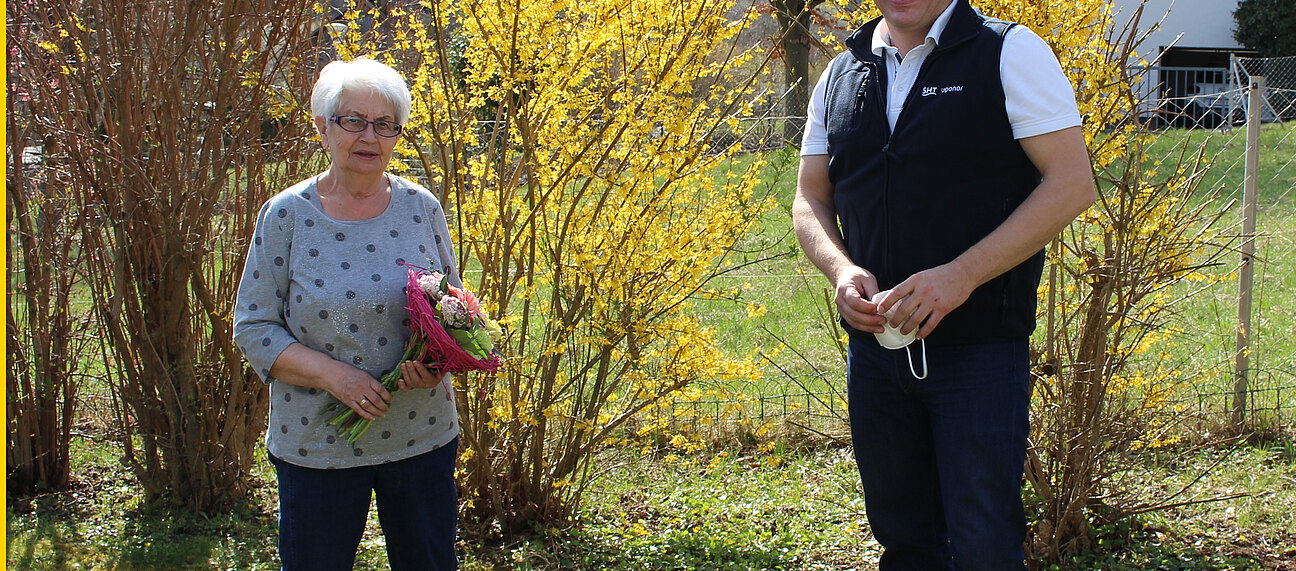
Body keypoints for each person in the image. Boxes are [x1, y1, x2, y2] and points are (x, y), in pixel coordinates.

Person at [791, 0, 1095, 568]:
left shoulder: (1008, 52)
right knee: (903, 538)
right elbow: (810, 196)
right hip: (876, 354)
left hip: (978, 352)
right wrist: (840, 269)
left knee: (983, 543)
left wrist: (962, 276)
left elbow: (1072, 183)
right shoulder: (840, 72)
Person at [233, 58, 461, 571]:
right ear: (322, 126)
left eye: (384, 125)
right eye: (352, 120)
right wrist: (337, 377)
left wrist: (439, 361)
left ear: (397, 135)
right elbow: (253, 325)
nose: (368, 136)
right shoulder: (287, 214)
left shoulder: (420, 207)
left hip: (421, 435)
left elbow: (454, 308)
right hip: (318, 444)